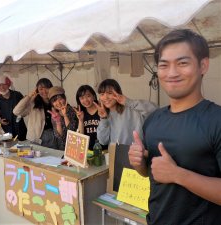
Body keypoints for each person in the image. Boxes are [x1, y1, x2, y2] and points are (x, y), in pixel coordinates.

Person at [128, 29, 221, 225]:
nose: (171, 73)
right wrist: (140, 164)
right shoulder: (153, 120)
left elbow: (171, 174)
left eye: (182, 63)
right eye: (164, 65)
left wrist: (179, 175)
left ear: (203, 65)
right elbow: (153, 174)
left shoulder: (216, 120)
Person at [95, 79, 157, 146]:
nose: (105, 97)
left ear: (118, 92)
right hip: (115, 155)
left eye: (110, 93)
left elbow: (155, 110)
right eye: (102, 94)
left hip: (136, 154)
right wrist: (103, 119)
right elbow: (102, 141)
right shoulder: (105, 114)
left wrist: (129, 102)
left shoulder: (132, 109)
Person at [13, 78, 58, 149]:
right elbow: (16, 111)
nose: (44, 91)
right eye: (41, 89)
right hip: (36, 137)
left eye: (46, 88)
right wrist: (29, 96)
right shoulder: (33, 102)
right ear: (37, 90)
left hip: (53, 136)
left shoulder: (55, 102)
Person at [0, 75, 27, 141]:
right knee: (8, 148)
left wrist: (22, 114)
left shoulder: (17, 95)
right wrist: (0, 121)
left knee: (22, 148)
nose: (2, 87)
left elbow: (25, 106)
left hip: (20, 128)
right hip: (6, 129)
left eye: (4, 84)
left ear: (8, 85)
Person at [74, 85, 107, 150]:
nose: (85, 100)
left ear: (94, 96)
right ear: (79, 100)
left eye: (88, 96)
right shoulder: (80, 113)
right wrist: (80, 120)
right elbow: (80, 138)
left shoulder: (103, 110)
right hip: (88, 151)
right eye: (82, 98)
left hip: (104, 150)